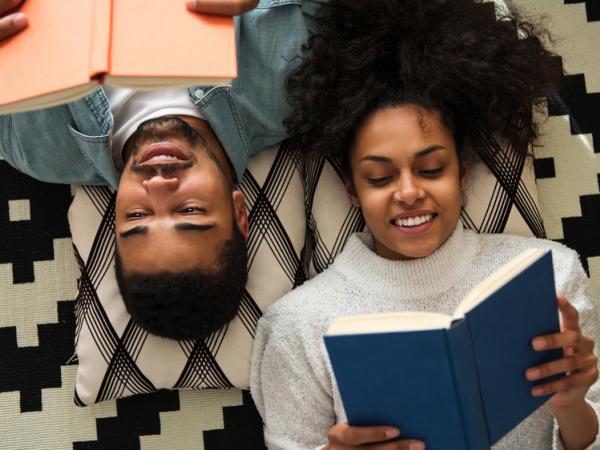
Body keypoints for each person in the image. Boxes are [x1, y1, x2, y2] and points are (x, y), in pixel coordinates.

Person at [250, 1, 600, 449]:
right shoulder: (297, 326)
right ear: (352, 189)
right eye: (380, 177)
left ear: (462, 174)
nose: (409, 192)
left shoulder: (550, 275)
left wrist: (572, 404)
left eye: (431, 168)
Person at [0, 0, 320, 340]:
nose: (158, 183)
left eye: (137, 215)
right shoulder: (296, 83)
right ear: (239, 213)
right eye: (189, 209)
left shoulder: (35, 147)